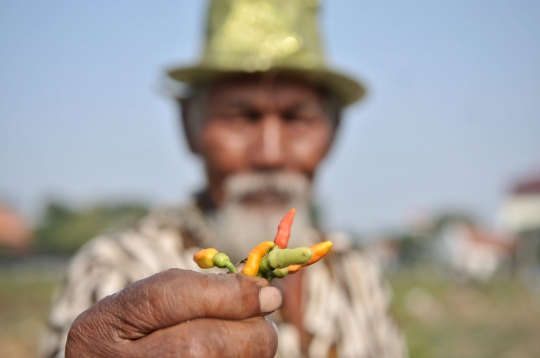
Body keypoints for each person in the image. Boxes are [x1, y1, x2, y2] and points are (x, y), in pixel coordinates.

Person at [42, 1, 408, 357]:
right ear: (189, 127)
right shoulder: (116, 269)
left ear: (334, 132)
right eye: (240, 117)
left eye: (297, 118)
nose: (270, 155)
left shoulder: (356, 274)